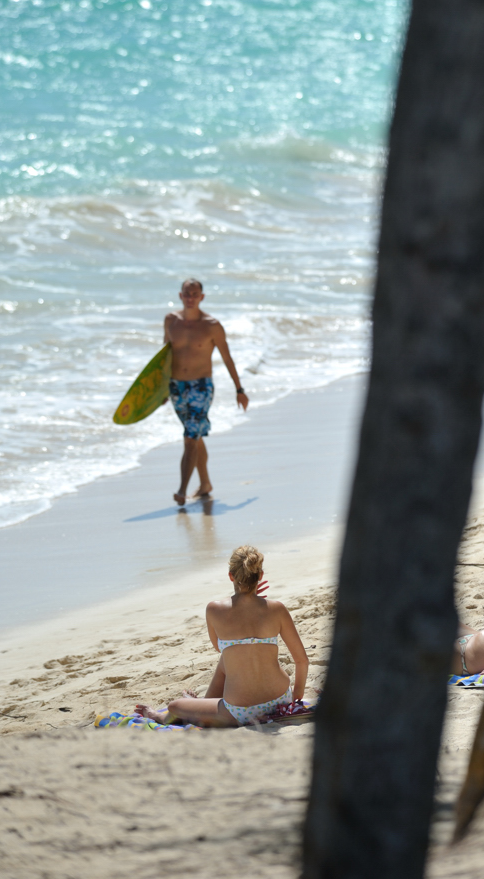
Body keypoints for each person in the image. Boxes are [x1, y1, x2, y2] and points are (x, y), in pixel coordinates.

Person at [135, 545, 309, 727]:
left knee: (174, 706)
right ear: (260, 576)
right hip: (280, 698)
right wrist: (295, 697)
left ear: (231, 576)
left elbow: (220, 647)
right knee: (230, 657)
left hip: (240, 710)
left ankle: (159, 716)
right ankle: (201, 703)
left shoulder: (214, 609)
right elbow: (302, 661)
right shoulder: (277, 608)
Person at [164, 278, 249, 506]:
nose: (190, 298)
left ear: (202, 297)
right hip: (176, 386)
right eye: (186, 294)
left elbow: (227, 358)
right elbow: (164, 356)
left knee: (190, 438)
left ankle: (182, 490)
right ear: (180, 296)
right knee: (194, 434)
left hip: (201, 387)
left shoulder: (212, 325)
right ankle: (205, 484)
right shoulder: (171, 321)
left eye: (195, 294)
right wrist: (159, 389)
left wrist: (239, 389)